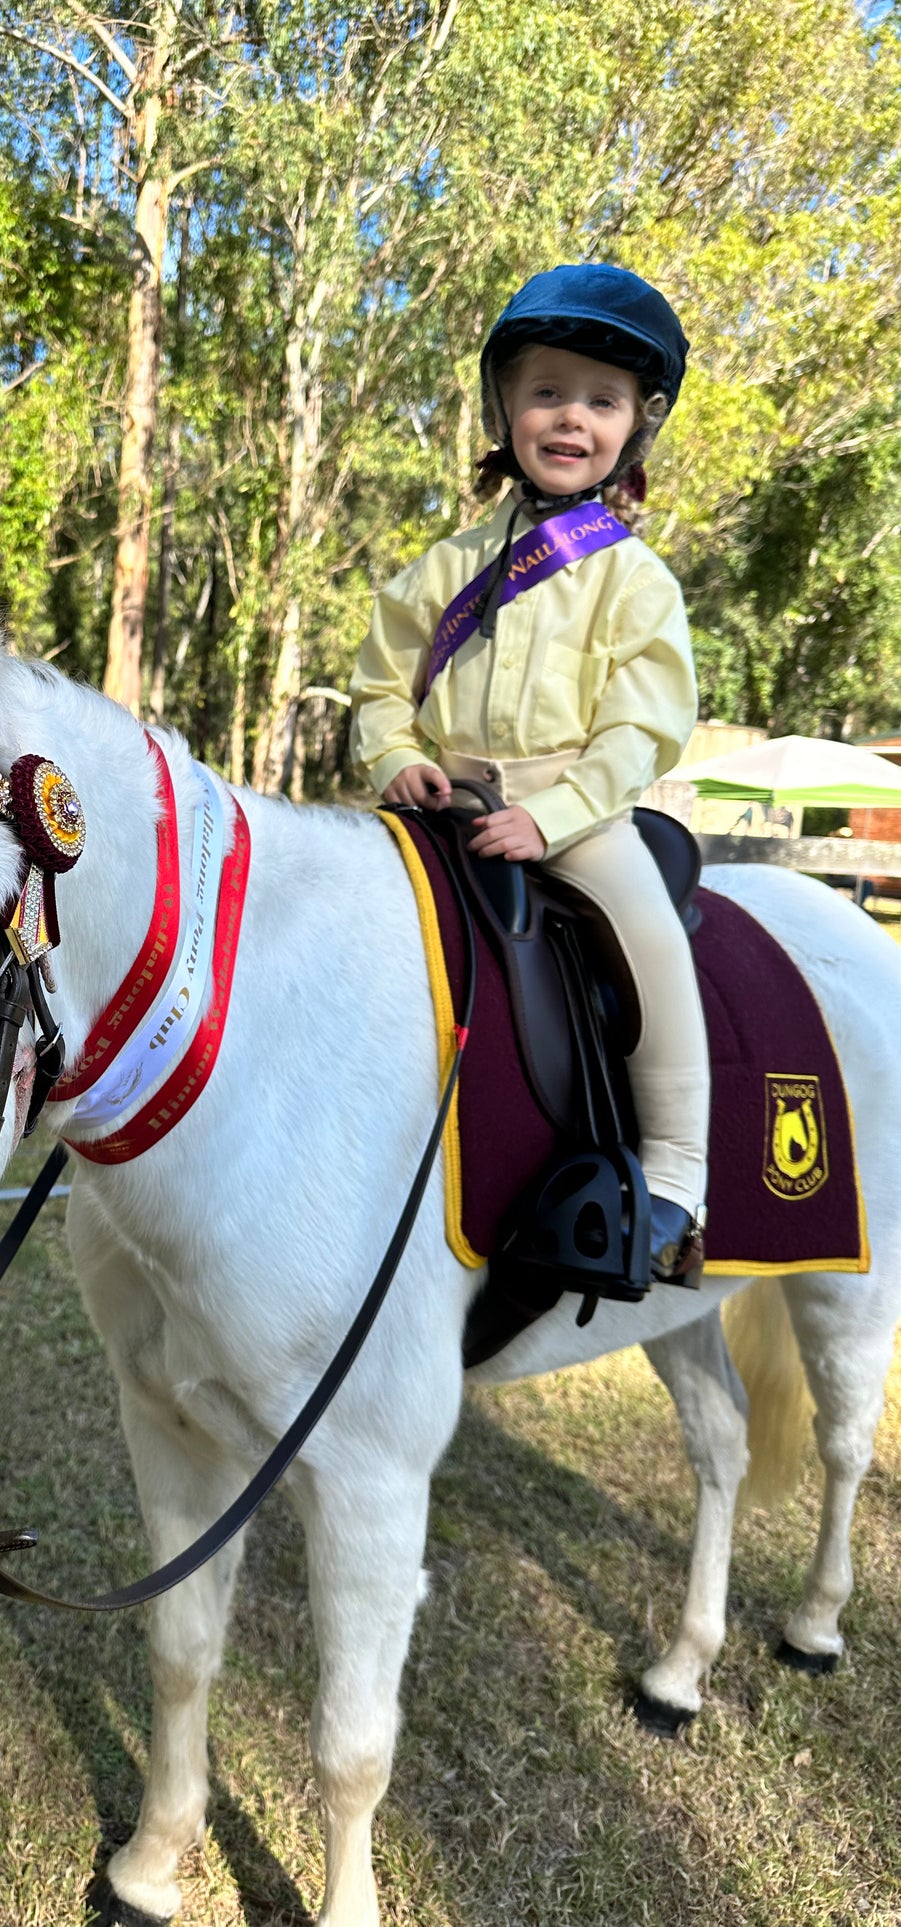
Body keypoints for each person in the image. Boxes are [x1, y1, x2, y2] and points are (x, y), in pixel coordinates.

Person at [349, 263, 707, 1281]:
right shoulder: (438, 568)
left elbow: (641, 731)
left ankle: (677, 1176)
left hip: (577, 814)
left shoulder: (633, 578)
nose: (569, 418)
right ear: (502, 408)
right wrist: (397, 757)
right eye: (546, 391)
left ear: (633, 427)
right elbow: (380, 688)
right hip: (438, 807)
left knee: (646, 940)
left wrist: (551, 817)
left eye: (600, 401)